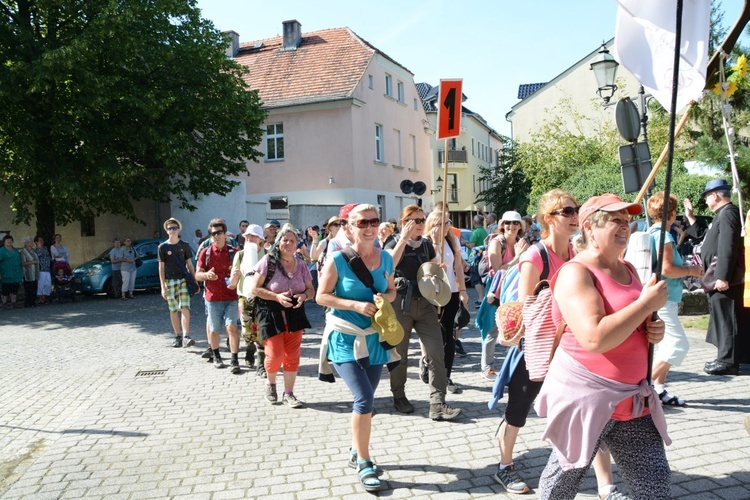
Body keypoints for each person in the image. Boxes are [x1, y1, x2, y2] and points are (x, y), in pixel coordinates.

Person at [535, 193, 671, 499]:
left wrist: (652, 328)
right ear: (589, 227)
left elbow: (632, 322)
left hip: (633, 400)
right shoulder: (575, 273)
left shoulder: (629, 269)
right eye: (615, 220)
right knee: (562, 483)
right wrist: (645, 303)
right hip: (588, 400)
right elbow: (594, 338)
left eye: (627, 220)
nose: (625, 226)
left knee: (655, 483)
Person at [316, 203, 397, 493]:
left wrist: (383, 299)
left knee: (368, 399)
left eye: (374, 221)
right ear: (349, 227)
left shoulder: (386, 257)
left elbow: (391, 290)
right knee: (364, 399)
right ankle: (364, 461)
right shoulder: (337, 259)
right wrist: (354, 305)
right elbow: (321, 296)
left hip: (375, 338)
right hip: (344, 338)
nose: (370, 227)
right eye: (362, 222)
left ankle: (354, 448)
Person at [385, 204, 462, 420]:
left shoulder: (427, 244)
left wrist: (437, 273)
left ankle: (437, 403)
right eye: (415, 220)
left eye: (422, 220)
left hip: (426, 302)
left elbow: (429, 270)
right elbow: (388, 266)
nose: (420, 224)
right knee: (400, 354)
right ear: (404, 222)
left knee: (437, 350)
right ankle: (398, 395)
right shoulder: (392, 242)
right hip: (401, 303)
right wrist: (403, 239)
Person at [646, 192, 703, 405]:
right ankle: (641, 386)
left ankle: (658, 388)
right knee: (678, 344)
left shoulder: (652, 231)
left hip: (660, 297)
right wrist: (691, 270)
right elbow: (667, 268)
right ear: (671, 213)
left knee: (666, 344)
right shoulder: (665, 236)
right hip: (663, 298)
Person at [251, 223, 314, 407]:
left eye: (292, 240)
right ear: (278, 243)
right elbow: (255, 288)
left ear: (297, 244)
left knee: (293, 356)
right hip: (271, 314)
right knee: (275, 354)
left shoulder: (301, 265)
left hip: (295, 314)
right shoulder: (268, 262)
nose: (288, 243)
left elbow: (311, 290)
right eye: (285, 240)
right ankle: (270, 384)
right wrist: (277, 297)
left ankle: (289, 394)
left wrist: (303, 296)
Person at [699, 179, 749, 375]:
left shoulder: (728, 213)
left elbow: (727, 246)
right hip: (720, 276)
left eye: (707, 197)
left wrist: (723, 276)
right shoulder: (725, 213)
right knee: (725, 317)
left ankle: (727, 361)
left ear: (715, 196)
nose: (706, 202)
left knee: (727, 318)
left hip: (723, 278)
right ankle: (736, 358)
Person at [481, 210, 529, 380]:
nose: (511, 226)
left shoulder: (521, 242)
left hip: (515, 291)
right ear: (502, 225)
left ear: (520, 226)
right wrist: (517, 257)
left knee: (515, 329)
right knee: (493, 330)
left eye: (515, 223)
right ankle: (487, 366)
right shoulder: (496, 242)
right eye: (507, 223)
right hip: (497, 291)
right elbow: (497, 269)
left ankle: (512, 366)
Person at [424, 211, 468, 394]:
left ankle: (446, 376)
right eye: (441, 223)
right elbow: (427, 267)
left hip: (450, 292)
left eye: (448, 222)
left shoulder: (452, 240)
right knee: (434, 337)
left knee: (448, 336)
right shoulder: (425, 242)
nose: (446, 226)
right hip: (431, 294)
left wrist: (463, 291)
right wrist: (435, 244)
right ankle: (429, 364)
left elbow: (458, 266)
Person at [196, 219, 242, 373]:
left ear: (225, 233)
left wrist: (237, 276)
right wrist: (206, 275)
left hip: (231, 297)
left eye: (219, 232)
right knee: (214, 330)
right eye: (213, 233)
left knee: (232, 328)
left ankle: (234, 359)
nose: (217, 236)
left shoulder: (234, 252)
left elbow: (244, 272)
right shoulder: (206, 252)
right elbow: (197, 275)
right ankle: (216, 356)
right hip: (213, 298)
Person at [229, 224, 266, 369]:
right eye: (247, 236)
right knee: (247, 330)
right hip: (244, 297)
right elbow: (232, 283)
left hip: (262, 297)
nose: (249, 238)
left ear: (260, 240)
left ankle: (260, 362)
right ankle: (250, 349)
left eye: (253, 236)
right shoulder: (240, 255)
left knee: (262, 329)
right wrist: (234, 277)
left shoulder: (267, 254)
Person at [158, 218, 196, 348]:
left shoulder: (184, 245)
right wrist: (163, 286)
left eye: (174, 228)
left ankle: (186, 335)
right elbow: (161, 268)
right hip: (169, 281)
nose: (172, 230)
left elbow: (190, 265)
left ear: (178, 229)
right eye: (169, 228)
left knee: (185, 307)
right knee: (173, 309)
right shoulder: (162, 247)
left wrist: (195, 281)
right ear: (166, 230)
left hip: (183, 280)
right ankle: (178, 336)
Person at [466, 214, 488, 306]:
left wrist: (464, 243)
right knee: (481, 278)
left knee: (475, 279)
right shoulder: (484, 231)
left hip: (475, 259)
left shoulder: (475, 232)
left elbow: (471, 245)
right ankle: (483, 297)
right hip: (483, 258)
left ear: (474, 222)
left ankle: (480, 298)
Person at [0, 235, 22, 308]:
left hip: (16, 272)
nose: (9, 242)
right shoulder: (2, 250)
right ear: (4, 242)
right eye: (7, 241)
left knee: (15, 287)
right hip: (6, 272)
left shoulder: (15, 250)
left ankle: (13, 302)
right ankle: (4, 303)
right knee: (6, 288)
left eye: (11, 240)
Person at [19, 236, 39, 308]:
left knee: (34, 288)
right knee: (29, 289)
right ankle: (28, 303)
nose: (32, 243)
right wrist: (32, 262)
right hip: (28, 273)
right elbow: (22, 263)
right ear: (26, 243)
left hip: (35, 272)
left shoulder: (33, 250)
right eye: (30, 241)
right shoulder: (23, 252)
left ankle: (33, 302)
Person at [34, 236, 52, 305]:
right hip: (40, 269)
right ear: (36, 242)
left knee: (48, 284)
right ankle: (40, 298)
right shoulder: (35, 250)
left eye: (42, 240)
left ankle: (45, 297)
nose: (42, 242)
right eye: (40, 240)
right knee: (41, 284)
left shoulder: (45, 248)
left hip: (47, 268)